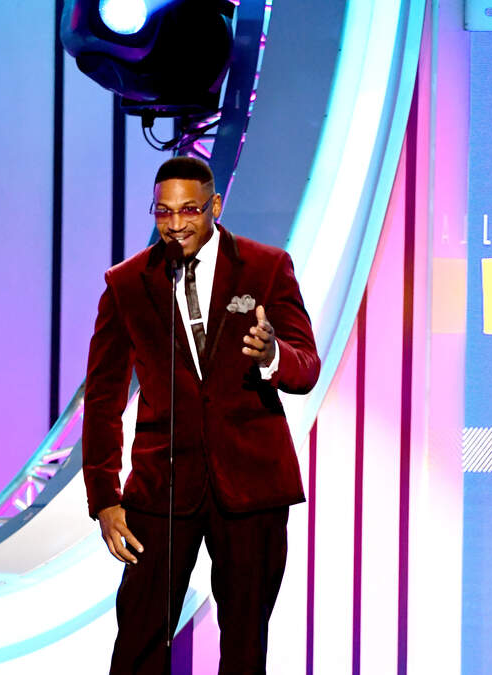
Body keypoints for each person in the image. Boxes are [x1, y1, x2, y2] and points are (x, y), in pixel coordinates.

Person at [81, 155, 320, 674]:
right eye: (163, 211)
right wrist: (104, 498)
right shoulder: (126, 283)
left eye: (189, 209)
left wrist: (272, 355)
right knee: (139, 642)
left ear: (214, 206)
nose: (175, 223)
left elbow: (306, 368)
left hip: (253, 485)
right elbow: (102, 399)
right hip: (161, 487)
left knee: (245, 646)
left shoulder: (265, 266)